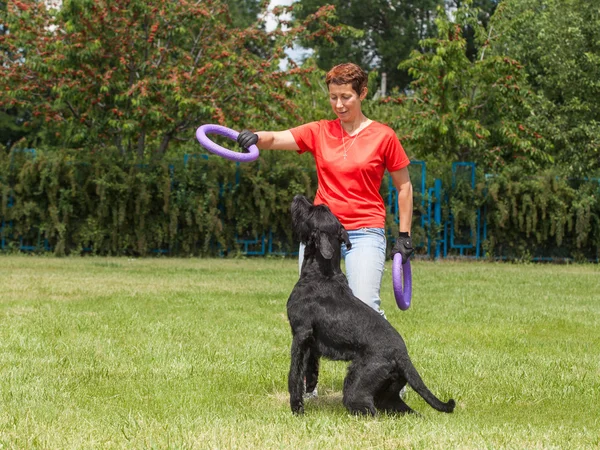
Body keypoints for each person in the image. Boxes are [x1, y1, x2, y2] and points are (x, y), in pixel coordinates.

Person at [237, 62, 414, 317]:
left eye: (346, 97)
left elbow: (404, 186)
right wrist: (254, 136)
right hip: (320, 232)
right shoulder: (320, 131)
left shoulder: (383, 136)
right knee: (312, 305)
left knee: (364, 309)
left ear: (362, 93)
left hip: (364, 231)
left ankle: (380, 355)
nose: (339, 105)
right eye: (333, 97)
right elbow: (276, 138)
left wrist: (404, 236)